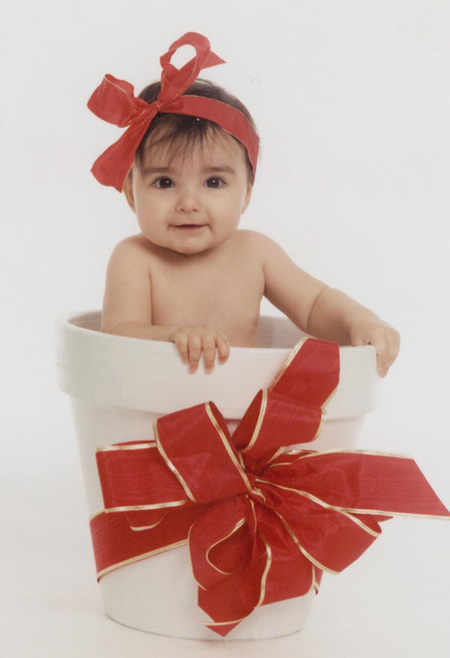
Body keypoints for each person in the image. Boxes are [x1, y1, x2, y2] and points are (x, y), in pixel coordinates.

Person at [90, 32, 400, 378]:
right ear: (132, 193)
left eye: (213, 182)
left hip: (244, 414)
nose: (189, 203)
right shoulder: (135, 258)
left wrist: (363, 320)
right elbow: (119, 335)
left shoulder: (256, 254)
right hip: (155, 411)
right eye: (165, 182)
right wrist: (174, 335)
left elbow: (315, 305)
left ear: (247, 193)